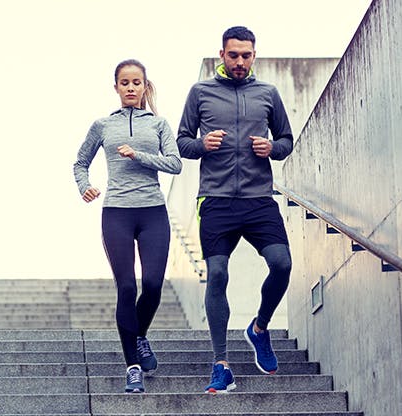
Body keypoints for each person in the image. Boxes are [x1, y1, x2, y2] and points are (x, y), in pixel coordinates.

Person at [176, 25, 294, 394]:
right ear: (222, 55)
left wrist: (272, 149)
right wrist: (202, 144)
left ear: (253, 55)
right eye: (233, 55)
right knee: (217, 274)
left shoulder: (268, 94)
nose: (240, 61)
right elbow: (182, 142)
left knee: (282, 264)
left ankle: (259, 329)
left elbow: (287, 140)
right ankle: (221, 364)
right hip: (216, 199)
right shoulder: (201, 93)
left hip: (259, 199)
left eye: (246, 55)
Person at [73, 59, 182, 393]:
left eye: (137, 82)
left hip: (152, 213)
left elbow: (175, 163)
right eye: (125, 83)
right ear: (116, 87)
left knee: (152, 285)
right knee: (126, 288)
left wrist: (139, 156)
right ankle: (132, 365)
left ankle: (139, 336)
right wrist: (84, 185)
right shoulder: (102, 125)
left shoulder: (159, 124)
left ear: (144, 85)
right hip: (117, 213)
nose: (131, 88)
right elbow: (80, 161)